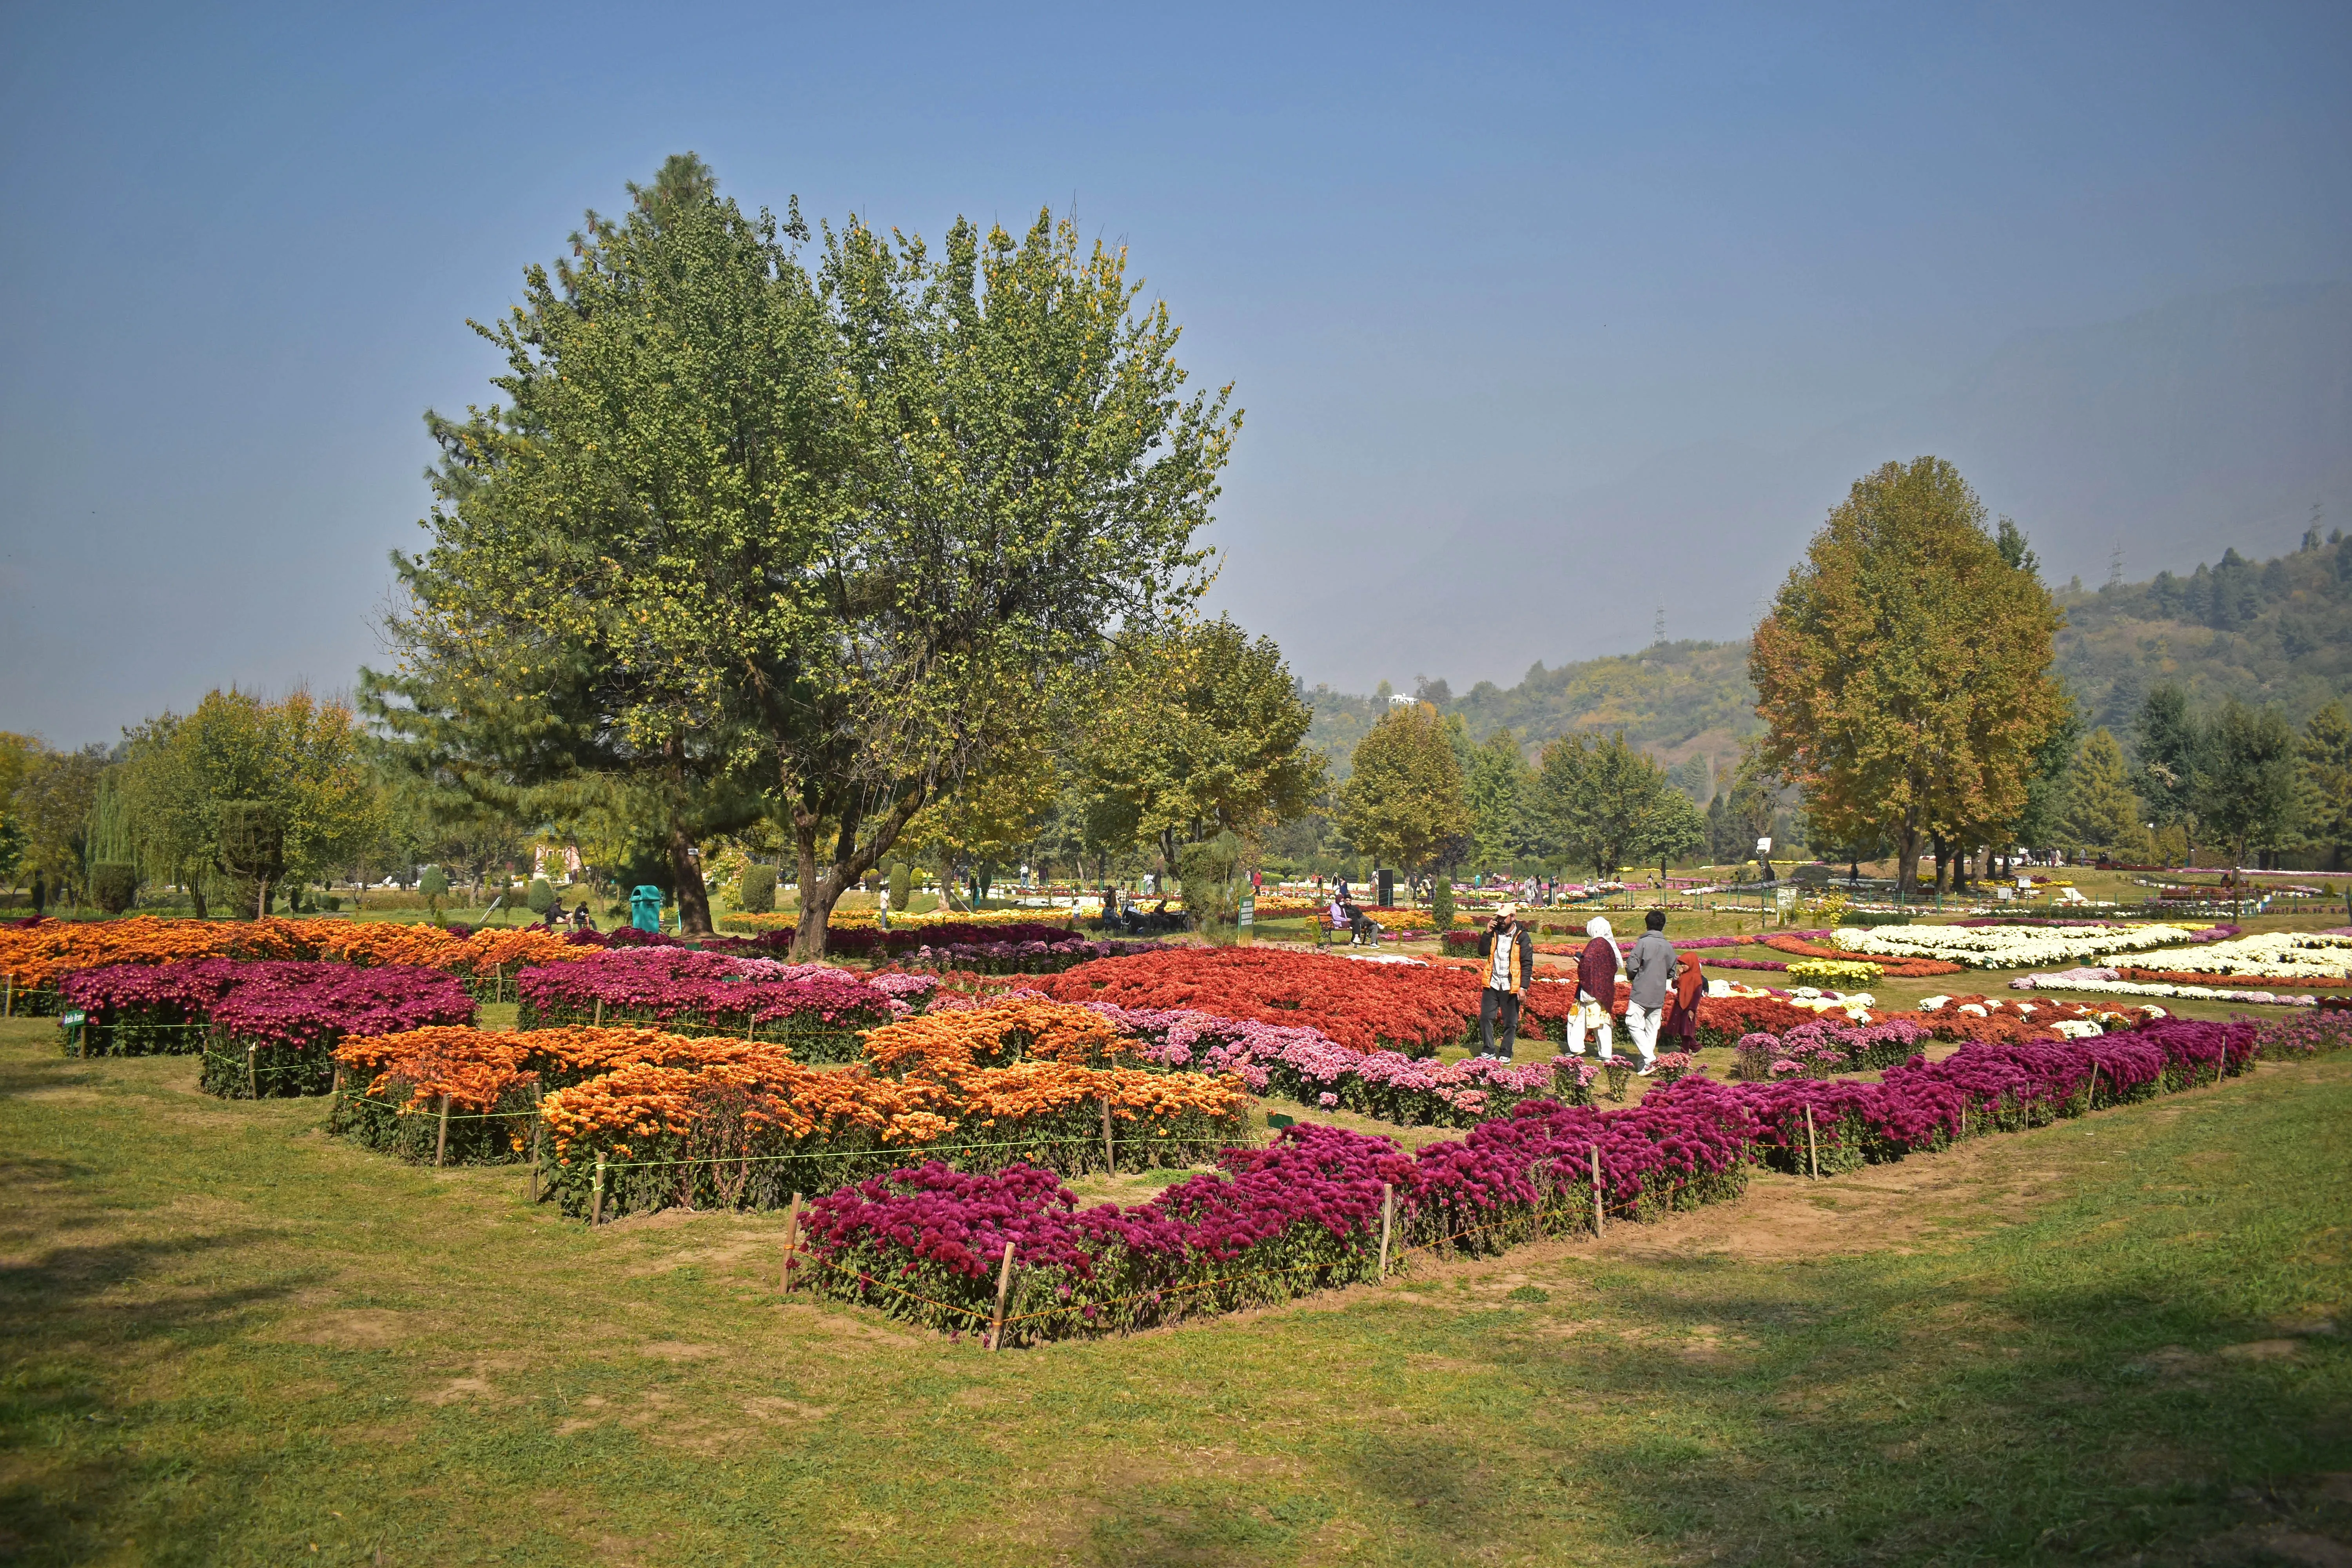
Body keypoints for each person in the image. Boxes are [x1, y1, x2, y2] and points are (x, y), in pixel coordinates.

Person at [1474, 902, 1535, 1058]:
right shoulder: (1494, 933)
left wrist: (1523, 987)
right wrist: (1487, 933)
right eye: (1498, 917)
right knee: (1486, 1018)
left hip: (1510, 985)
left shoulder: (1522, 937)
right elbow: (1482, 952)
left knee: (1510, 1022)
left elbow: (1527, 964)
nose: (1500, 921)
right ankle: (1488, 1050)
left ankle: (1506, 1052)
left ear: (1513, 917)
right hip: (1492, 983)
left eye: (1504, 918)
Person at [1623, 909, 1677, 1075]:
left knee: (1632, 1022)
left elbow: (1632, 966)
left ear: (1647, 925)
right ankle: (1645, 1065)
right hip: (1659, 992)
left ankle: (1650, 1059)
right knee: (1652, 1029)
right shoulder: (1669, 946)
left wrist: (1633, 976)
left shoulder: (1643, 943)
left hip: (1642, 990)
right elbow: (1672, 971)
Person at [1569, 915, 1621, 1059]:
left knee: (1578, 1018)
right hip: (1604, 989)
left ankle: (1577, 1047)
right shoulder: (1607, 945)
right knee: (1601, 1020)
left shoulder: (1595, 944)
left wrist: (1580, 961)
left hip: (1591, 988)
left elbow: (1587, 964)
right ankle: (1605, 1053)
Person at [1661, 945, 1705, 1054]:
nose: (1683, 966)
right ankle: (1696, 1047)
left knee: (1686, 1031)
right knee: (1681, 1029)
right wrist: (1677, 975)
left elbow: (1696, 996)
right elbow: (1674, 986)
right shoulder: (1683, 975)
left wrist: (1692, 1010)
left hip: (1689, 1007)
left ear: (1691, 963)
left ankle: (1685, 1051)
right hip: (1679, 1005)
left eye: (1685, 964)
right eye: (1682, 964)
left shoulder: (1696, 979)